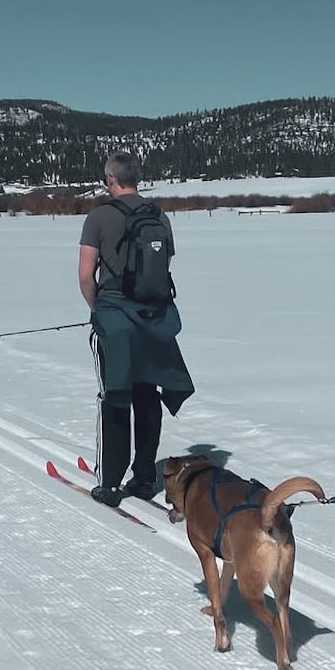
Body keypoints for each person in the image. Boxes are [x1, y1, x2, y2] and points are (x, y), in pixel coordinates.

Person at [78, 152, 194, 507]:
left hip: (115, 317)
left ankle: (110, 483)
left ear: (111, 180)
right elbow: (163, 266)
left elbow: (85, 274)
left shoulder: (99, 217)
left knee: (114, 396)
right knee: (147, 394)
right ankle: (144, 477)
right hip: (153, 318)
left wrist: (98, 308)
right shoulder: (158, 215)